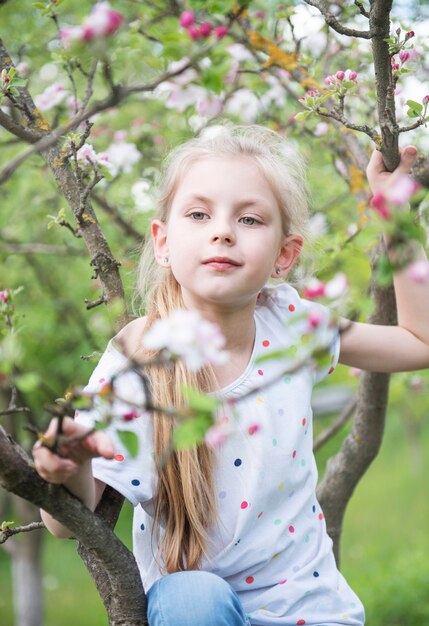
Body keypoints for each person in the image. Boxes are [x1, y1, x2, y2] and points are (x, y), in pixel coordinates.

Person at [33, 125, 429, 626]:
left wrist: (396, 215)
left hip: (315, 613)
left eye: (249, 218)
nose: (222, 230)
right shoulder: (142, 359)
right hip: (202, 612)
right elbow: (63, 524)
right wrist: (67, 466)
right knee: (189, 596)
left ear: (284, 255)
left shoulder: (292, 327)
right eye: (198, 214)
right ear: (163, 242)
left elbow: (419, 342)